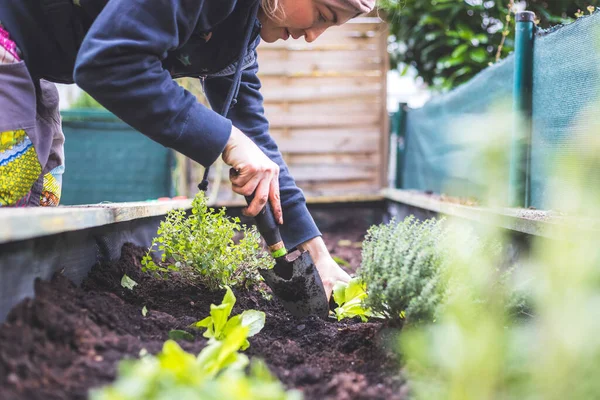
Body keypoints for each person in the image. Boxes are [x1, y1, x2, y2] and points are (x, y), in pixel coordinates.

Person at [0, 0, 375, 297]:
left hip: (35, 58)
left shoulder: (240, 30)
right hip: (9, 31)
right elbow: (109, 64)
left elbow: (256, 142)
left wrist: (316, 253)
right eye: (323, 14)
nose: (314, 36)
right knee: (8, 191)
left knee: (36, 203)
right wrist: (227, 140)